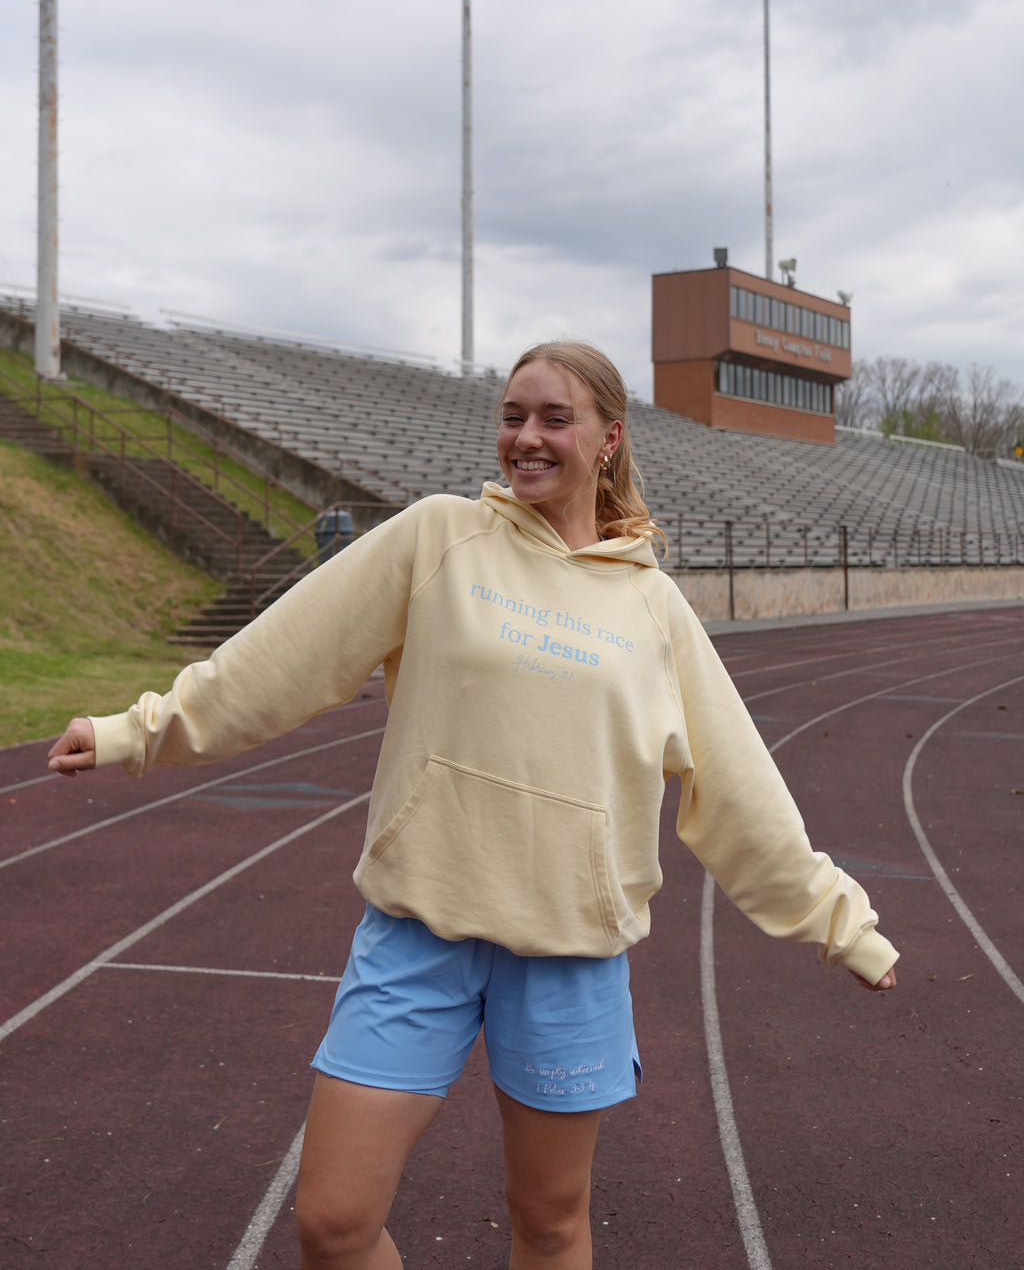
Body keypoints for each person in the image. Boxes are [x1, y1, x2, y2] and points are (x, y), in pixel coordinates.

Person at [49, 340, 898, 1270]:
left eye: (553, 419)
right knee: (332, 1222)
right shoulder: (438, 537)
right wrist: (143, 730)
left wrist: (838, 920)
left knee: (548, 1224)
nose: (525, 438)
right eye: (512, 416)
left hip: (569, 953)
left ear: (608, 439)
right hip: (419, 932)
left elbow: (738, 790)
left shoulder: (653, 609)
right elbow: (281, 660)